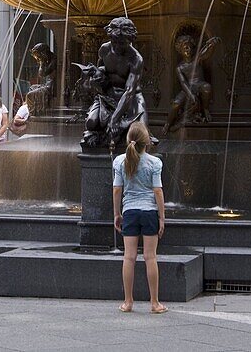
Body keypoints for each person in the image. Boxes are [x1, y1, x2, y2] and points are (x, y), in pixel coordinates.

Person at [112, 121, 166, 315]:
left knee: (129, 257)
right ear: (147, 142)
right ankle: (154, 303)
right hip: (150, 212)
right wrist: (162, 217)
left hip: (130, 212)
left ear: (129, 141)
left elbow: (117, 189)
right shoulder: (155, 162)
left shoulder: (119, 161)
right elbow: (158, 191)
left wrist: (117, 214)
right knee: (150, 257)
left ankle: (128, 302)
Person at [80, 17, 148, 149]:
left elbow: (129, 92)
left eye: (122, 43)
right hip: (108, 95)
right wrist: (95, 75)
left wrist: (114, 119)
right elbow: (101, 69)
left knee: (141, 132)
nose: (117, 46)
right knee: (91, 123)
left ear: (130, 40)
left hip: (131, 98)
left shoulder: (136, 59)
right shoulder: (104, 49)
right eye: (115, 41)